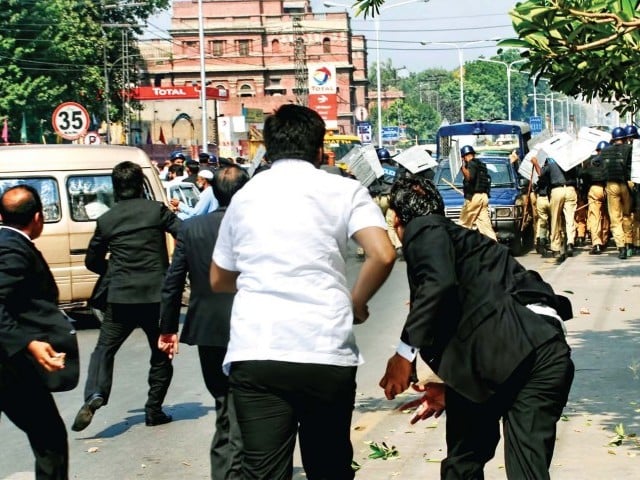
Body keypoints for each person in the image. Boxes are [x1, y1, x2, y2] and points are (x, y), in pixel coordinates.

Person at [210, 104, 396, 480]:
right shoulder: (344, 189)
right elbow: (382, 253)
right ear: (319, 150)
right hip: (325, 350)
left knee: (262, 471)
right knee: (329, 467)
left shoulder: (245, 197)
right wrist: (356, 302)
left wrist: (255, 280)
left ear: (269, 149)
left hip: (258, 349)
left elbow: (218, 279)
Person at [379, 175, 574, 480]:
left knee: (464, 463)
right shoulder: (466, 246)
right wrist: (451, 385)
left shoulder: (424, 228)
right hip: (542, 353)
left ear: (397, 219)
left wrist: (403, 356)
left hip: (511, 350)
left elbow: (437, 284)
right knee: (522, 468)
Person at [71, 161, 181, 432]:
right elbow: (184, 234)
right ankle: (153, 410)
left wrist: (112, 270)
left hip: (120, 298)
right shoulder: (157, 211)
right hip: (157, 297)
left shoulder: (107, 219)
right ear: (141, 183)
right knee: (161, 354)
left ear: (114, 187)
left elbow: (91, 260)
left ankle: (96, 393)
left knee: (104, 350)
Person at [158, 164, 249, 480]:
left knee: (224, 404)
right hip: (250, 326)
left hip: (207, 329)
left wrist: (168, 328)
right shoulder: (256, 225)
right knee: (239, 407)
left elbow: (173, 282)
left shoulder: (192, 228)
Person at [0, 185, 69, 479]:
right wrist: (28, 343)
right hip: (10, 365)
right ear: (38, 217)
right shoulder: (12, 249)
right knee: (49, 439)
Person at [532, 156, 578, 263]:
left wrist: (535, 163)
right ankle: (570, 243)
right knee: (570, 218)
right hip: (570, 189)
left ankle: (556, 247)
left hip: (556, 190)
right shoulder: (571, 161)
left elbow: (540, 173)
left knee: (555, 220)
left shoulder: (551, 162)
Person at [601, 126, 633, 259]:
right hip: (626, 184)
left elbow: (599, 165)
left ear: (613, 139)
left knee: (615, 217)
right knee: (627, 214)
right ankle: (629, 242)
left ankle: (621, 247)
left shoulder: (605, 151)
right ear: (625, 138)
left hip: (611, 185)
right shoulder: (629, 149)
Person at [458, 145, 497, 241]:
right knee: (485, 227)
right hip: (483, 197)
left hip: (474, 198)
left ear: (464, 157)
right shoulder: (481, 165)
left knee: (463, 223)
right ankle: (494, 246)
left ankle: (457, 247)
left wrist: (461, 167)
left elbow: (469, 177)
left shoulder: (471, 163)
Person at [581, 140, 610, 255]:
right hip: (607, 188)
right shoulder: (608, 161)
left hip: (594, 189)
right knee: (606, 215)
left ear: (597, 150)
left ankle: (597, 244)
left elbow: (583, 175)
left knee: (595, 216)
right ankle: (605, 240)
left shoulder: (590, 161)